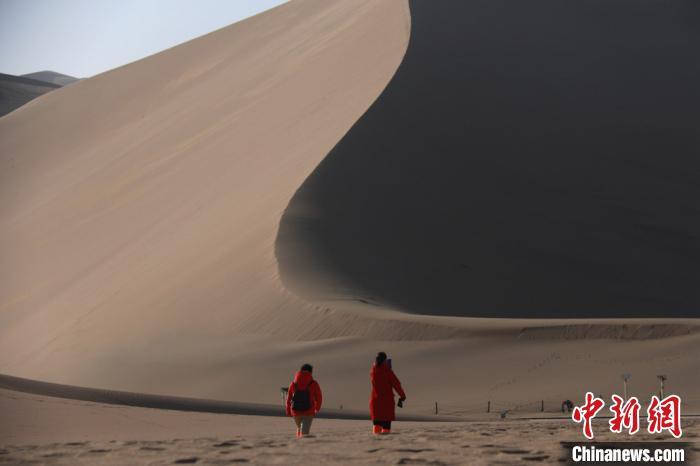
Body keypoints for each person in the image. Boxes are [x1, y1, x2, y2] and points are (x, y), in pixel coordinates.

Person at [369, 352, 406, 434]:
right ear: (384, 360)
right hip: (386, 403)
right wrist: (402, 396)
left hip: (375, 403)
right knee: (386, 429)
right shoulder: (387, 371)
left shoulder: (372, 371)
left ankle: (375, 444)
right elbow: (396, 384)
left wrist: (387, 367)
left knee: (376, 429)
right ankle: (386, 445)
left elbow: (377, 370)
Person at [285, 363, 323, 438]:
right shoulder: (313, 383)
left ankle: (298, 445)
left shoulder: (293, 383)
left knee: (300, 429)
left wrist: (288, 411)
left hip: (295, 412)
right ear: (310, 372)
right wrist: (317, 409)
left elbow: (288, 399)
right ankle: (302, 447)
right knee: (305, 434)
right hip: (309, 411)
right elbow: (319, 397)